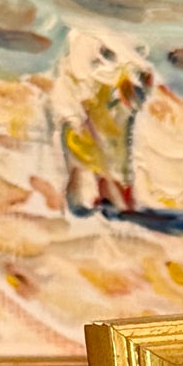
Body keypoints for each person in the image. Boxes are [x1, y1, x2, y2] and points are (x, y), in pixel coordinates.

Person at [53, 23, 155, 219]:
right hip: (89, 103)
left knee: (111, 154)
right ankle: (100, 198)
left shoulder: (114, 51)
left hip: (102, 100)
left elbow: (136, 82)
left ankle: (109, 197)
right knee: (94, 155)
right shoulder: (84, 42)